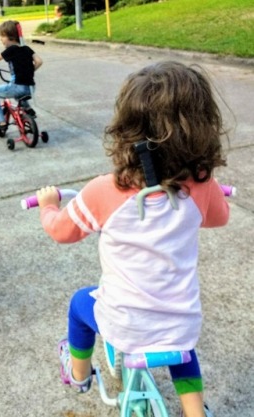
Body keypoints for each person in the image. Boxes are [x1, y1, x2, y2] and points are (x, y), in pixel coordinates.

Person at [36, 61, 230, 417]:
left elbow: (61, 231)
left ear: (127, 128)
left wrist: (49, 207)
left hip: (124, 325)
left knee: (80, 304)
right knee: (181, 344)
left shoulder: (104, 191)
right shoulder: (201, 187)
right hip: (182, 321)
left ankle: (79, 374)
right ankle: (195, 412)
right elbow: (219, 218)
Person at [0, 20, 43, 129]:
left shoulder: (11, 49)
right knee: (19, 95)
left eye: (2, 36)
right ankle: (27, 109)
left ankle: (0, 121)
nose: (0, 39)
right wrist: (29, 71)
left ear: (9, 36)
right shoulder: (26, 48)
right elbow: (39, 61)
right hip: (30, 88)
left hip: (17, 86)